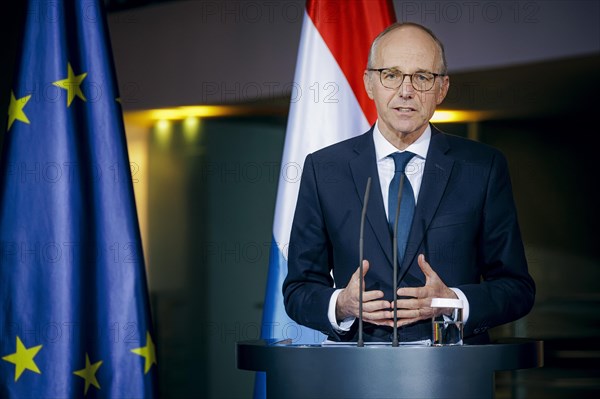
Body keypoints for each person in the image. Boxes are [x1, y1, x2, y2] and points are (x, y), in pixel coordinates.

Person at [282, 22, 535, 344]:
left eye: (422, 77)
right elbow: (298, 290)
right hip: (354, 370)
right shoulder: (325, 168)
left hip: (452, 369)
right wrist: (341, 305)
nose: (406, 90)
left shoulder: (482, 166)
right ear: (369, 83)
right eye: (391, 74)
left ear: (442, 88)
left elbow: (517, 288)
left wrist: (452, 301)